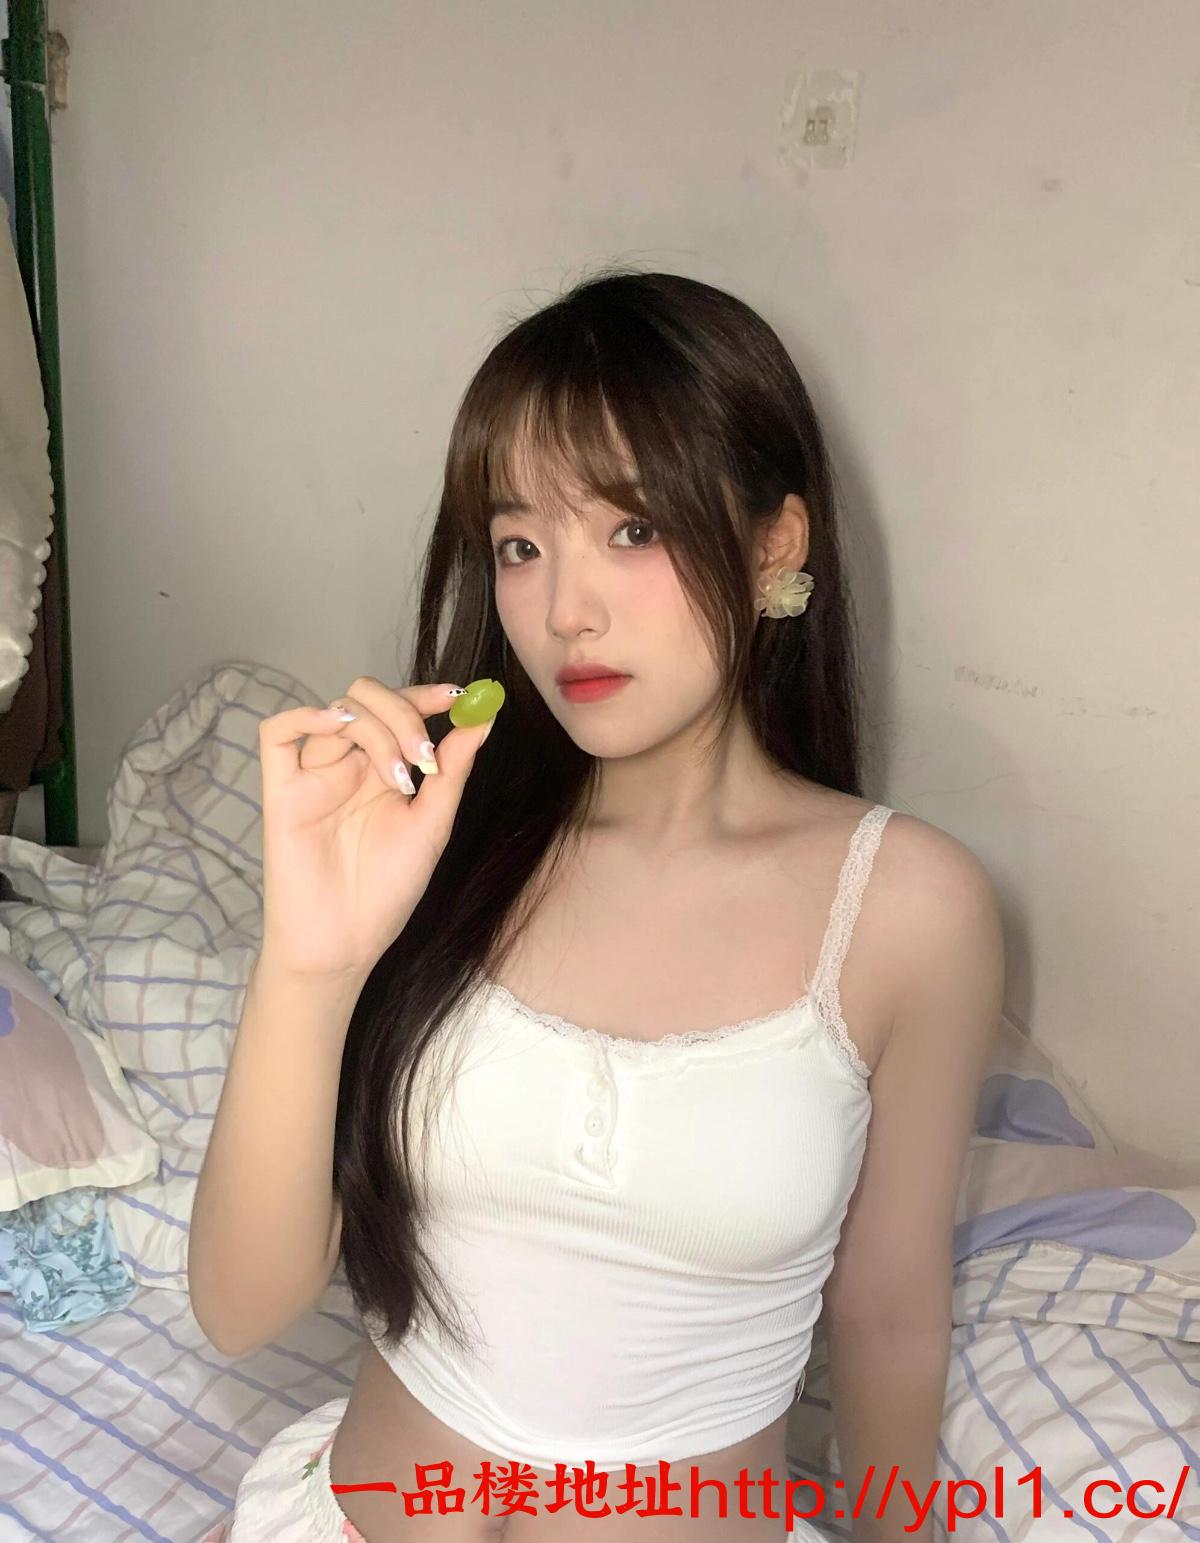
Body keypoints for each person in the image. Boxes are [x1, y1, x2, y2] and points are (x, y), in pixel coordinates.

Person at [189, 268, 1005, 1542]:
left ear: (775, 543)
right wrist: (310, 962)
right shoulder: (437, 841)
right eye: (521, 546)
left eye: (632, 529)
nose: (564, 610)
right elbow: (240, 1309)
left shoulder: (908, 908)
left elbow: (891, 1315)